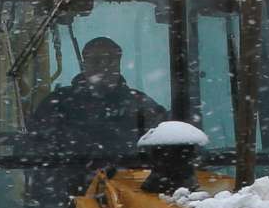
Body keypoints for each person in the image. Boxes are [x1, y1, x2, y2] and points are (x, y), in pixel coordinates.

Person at [24, 36, 167, 177]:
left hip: (128, 189)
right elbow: (37, 154)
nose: (104, 66)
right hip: (67, 192)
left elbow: (164, 148)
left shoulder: (141, 106)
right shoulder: (57, 105)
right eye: (96, 61)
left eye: (110, 60)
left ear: (119, 63)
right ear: (84, 63)